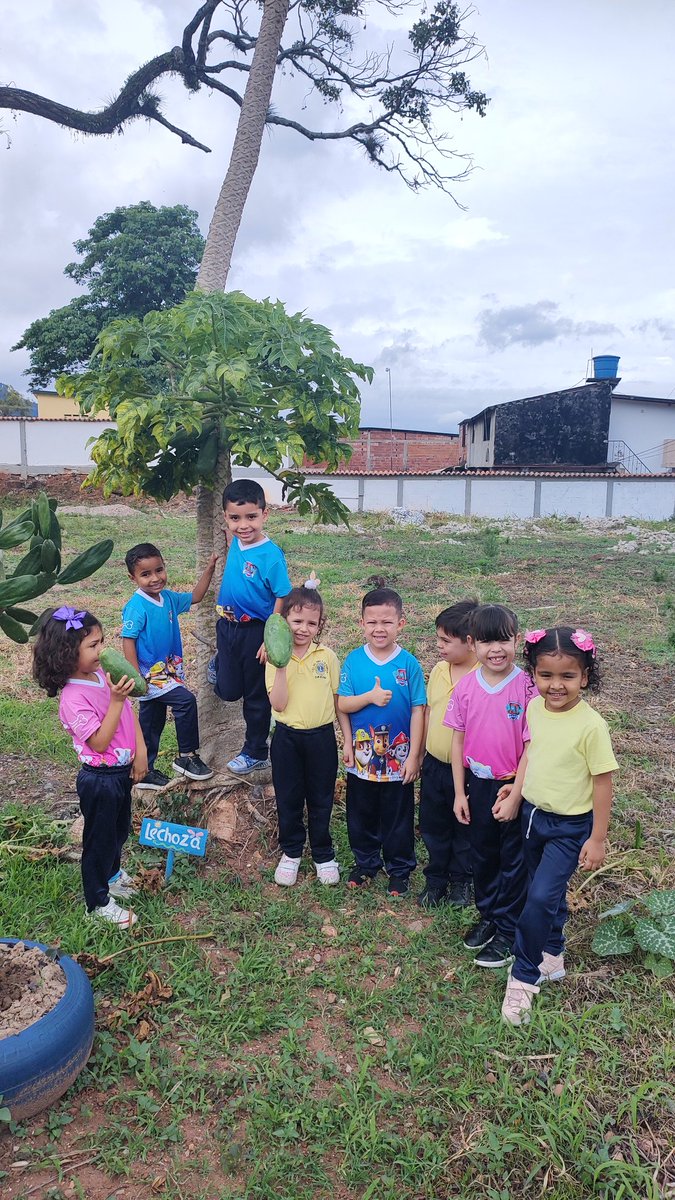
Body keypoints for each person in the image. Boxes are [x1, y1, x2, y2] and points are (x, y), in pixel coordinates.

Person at [498, 626, 618, 1025]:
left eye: (568, 676)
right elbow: (533, 753)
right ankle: (552, 952)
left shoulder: (591, 726)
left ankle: (524, 977)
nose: (556, 685)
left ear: (585, 677)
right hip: (533, 816)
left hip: (570, 827)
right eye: (546, 674)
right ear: (534, 673)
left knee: (538, 898)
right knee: (541, 892)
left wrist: (597, 838)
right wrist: (515, 791)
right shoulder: (534, 708)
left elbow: (603, 782)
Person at [32, 605, 147, 929]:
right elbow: (98, 742)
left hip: (121, 772)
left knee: (118, 831)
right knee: (99, 841)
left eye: (101, 641)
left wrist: (141, 751)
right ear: (67, 653)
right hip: (99, 779)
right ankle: (97, 902)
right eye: (93, 645)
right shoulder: (72, 698)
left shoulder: (102, 675)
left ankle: (111, 876)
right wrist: (115, 701)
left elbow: (128, 716)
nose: (102, 650)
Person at [445, 603, 535, 967]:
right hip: (478, 785)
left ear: (516, 640)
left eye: (504, 640)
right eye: (486, 642)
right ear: (472, 644)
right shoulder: (466, 688)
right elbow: (456, 741)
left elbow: (532, 745)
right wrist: (458, 793)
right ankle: (489, 916)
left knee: (513, 860)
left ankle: (510, 930)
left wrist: (516, 792)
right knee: (482, 854)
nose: (496, 649)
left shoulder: (528, 688)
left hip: (514, 786)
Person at [337, 581, 426, 897]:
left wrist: (415, 754)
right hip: (361, 757)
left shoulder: (408, 664)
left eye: (387, 622)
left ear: (401, 623)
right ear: (361, 623)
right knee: (361, 815)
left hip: (398, 759)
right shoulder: (353, 661)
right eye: (372, 622)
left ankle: (399, 869)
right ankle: (365, 864)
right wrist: (349, 740)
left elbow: (418, 710)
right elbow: (343, 705)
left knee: (397, 816)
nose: (379, 628)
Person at [266, 577, 353, 886]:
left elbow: (338, 701)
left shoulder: (326, 657)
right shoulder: (275, 657)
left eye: (311, 623)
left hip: (321, 738)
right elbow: (278, 705)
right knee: (288, 797)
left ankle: (323, 853)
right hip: (287, 738)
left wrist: (347, 741)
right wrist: (279, 666)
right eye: (296, 620)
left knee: (321, 798)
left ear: (320, 625)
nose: (303, 628)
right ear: (284, 620)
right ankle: (290, 852)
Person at [122, 542, 217, 787]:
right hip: (149, 676)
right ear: (133, 578)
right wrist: (135, 675)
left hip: (168, 671)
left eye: (159, 570)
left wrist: (210, 568)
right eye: (146, 574)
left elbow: (196, 596)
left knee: (152, 723)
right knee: (185, 701)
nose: (155, 578)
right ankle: (187, 757)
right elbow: (128, 640)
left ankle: (143, 771)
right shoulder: (136, 606)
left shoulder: (169, 598)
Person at [214, 479, 292, 775]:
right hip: (227, 626)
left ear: (264, 515)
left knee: (255, 696)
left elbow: (282, 595)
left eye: (251, 517)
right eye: (235, 518)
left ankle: (256, 750)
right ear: (225, 517)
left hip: (255, 632)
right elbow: (232, 536)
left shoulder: (271, 556)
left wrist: (269, 639)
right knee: (228, 690)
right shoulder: (235, 540)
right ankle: (218, 664)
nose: (243, 526)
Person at [417, 599, 478, 909]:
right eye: (437, 638)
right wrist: (418, 755)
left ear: (470, 642)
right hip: (435, 764)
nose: (438, 646)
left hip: (468, 771)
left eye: (445, 641)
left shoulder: (484, 676)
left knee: (464, 826)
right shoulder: (440, 670)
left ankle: (461, 881)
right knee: (433, 823)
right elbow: (428, 712)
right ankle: (436, 878)